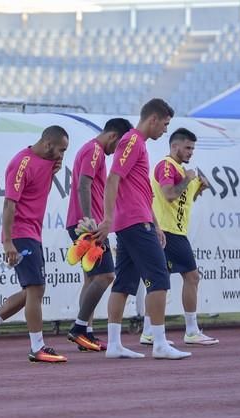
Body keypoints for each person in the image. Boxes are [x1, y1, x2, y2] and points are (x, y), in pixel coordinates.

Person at [95, 98, 192, 360]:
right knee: (159, 278)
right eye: (165, 124)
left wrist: (156, 224)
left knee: (124, 283)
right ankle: (159, 342)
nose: (165, 130)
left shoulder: (139, 145)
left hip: (137, 220)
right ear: (153, 119)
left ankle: (114, 344)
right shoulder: (131, 141)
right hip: (134, 221)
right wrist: (107, 218)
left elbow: (142, 190)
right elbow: (113, 177)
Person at [0, 126, 69, 363]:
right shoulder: (21, 163)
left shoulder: (47, 161)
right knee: (35, 289)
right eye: (61, 150)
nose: (63, 156)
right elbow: (9, 205)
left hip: (33, 233)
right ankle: (37, 347)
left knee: (33, 290)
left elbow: (36, 188)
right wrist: (8, 242)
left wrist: (53, 171)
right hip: (20, 234)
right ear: (47, 144)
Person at [140, 127, 218, 346]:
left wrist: (198, 188)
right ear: (174, 146)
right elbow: (169, 194)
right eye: (187, 147)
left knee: (158, 282)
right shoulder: (167, 166)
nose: (191, 152)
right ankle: (191, 330)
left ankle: (148, 331)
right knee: (191, 277)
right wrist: (189, 178)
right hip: (168, 232)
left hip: (173, 231)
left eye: (192, 148)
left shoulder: (181, 171)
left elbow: (183, 200)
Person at [65, 118, 133, 352]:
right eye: (119, 146)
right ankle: (79, 328)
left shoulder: (91, 150)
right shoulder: (94, 150)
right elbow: (83, 185)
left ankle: (87, 332)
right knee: (106, 276)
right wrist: (88, 220)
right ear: (114, 137)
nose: (117, 152)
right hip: (87, 224)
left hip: (82, 221)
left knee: (92, 279)